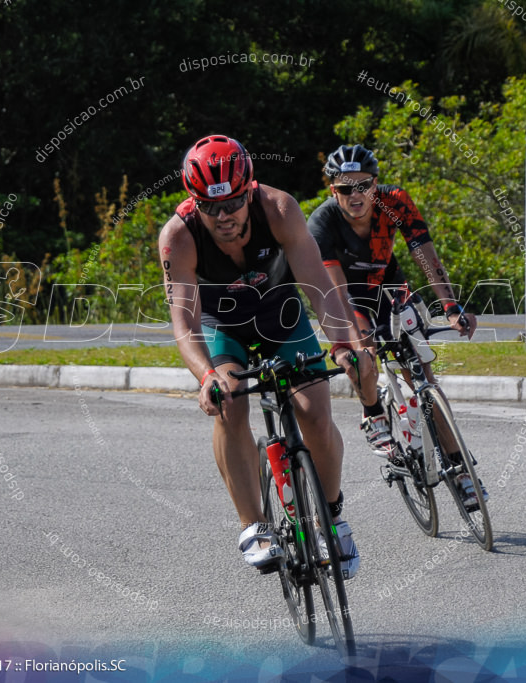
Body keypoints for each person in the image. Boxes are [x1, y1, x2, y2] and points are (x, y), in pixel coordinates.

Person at [157, 135, 375, 577]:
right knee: (229, 401)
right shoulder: (178, 236)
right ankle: (254, 524)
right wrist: (206, 378)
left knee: (314, 413)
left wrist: (341, 345)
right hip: (225, 329)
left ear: (249, 189)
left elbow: (318, 285)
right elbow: (185, 323)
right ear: (193, 200)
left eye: (234, 202)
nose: (224, 216)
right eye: (210, 206)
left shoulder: (278, 209)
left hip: (282, 317)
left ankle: (332, 515)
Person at [307, 143, 487, 508]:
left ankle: (462, 469)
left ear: (376, 184)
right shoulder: (321, 223)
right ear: (333, 192)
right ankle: (373, 412)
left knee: (422, 377)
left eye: (364, 186)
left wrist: (450, 305)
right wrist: (359, 343)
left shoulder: (396, 202)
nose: (356, 195)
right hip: (348, 296)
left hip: (389, 286)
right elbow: (338, 292)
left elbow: (425, 255)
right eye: (345, 188)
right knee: (363, 360)